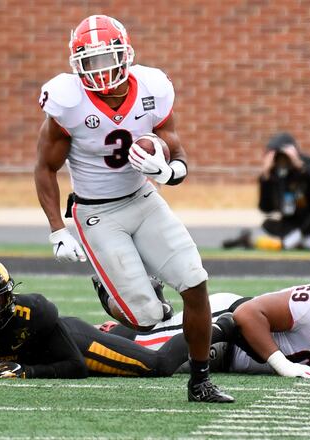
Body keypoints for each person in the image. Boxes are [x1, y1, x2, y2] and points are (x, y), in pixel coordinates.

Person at [33, 15, 232, 402]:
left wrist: (170, 170)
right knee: (147, 318)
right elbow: (46, 167)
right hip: (96, 213)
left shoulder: (152, 86)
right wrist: (58, 228)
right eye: (90, 62)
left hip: (143, 198)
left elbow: (174, 143)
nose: (101, 70)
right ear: (77, 66)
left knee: (196, 282)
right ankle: (107, 289)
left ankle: (201, 382)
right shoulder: (67, 100)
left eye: (108, 59)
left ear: (126, 55)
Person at [0, 256, 235, 383]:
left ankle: (222, 328)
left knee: (161, 365)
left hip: (75, 344)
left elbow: (76, 367)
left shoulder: (34, 313)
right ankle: (123, 330)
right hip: (61, 350)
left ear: (8, 296)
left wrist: (27, 372)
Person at [104, 278, 310, 377]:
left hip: (237, 360)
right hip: (232, 329)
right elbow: (248, 313)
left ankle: (158, 308)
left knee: (156, 346)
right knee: (148, 351)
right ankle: (114, 314)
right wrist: (281, 363)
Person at [223, 132, 310, 251]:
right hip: (308, 229)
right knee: (268, 223)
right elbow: (266, 208)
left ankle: (295, 240)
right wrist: (265, 178)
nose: (282, 161)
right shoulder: (277, 175)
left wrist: (301, 169)